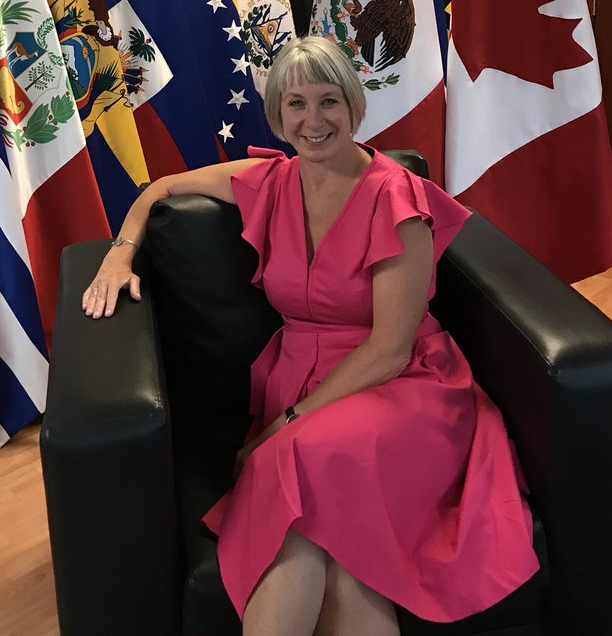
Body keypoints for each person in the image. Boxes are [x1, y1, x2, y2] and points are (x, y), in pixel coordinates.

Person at [83, 36, 539, 636]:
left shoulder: (394, 196)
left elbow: (390, 350)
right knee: (337, 548)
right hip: (303, 380)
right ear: (278, 113)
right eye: (296, 104)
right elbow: (161, 188)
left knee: (295, 464)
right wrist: (119, 255)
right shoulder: (270, 181)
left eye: (329, 101)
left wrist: (285, 424)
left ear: (353, 105)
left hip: (401, 386)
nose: (313, 119)